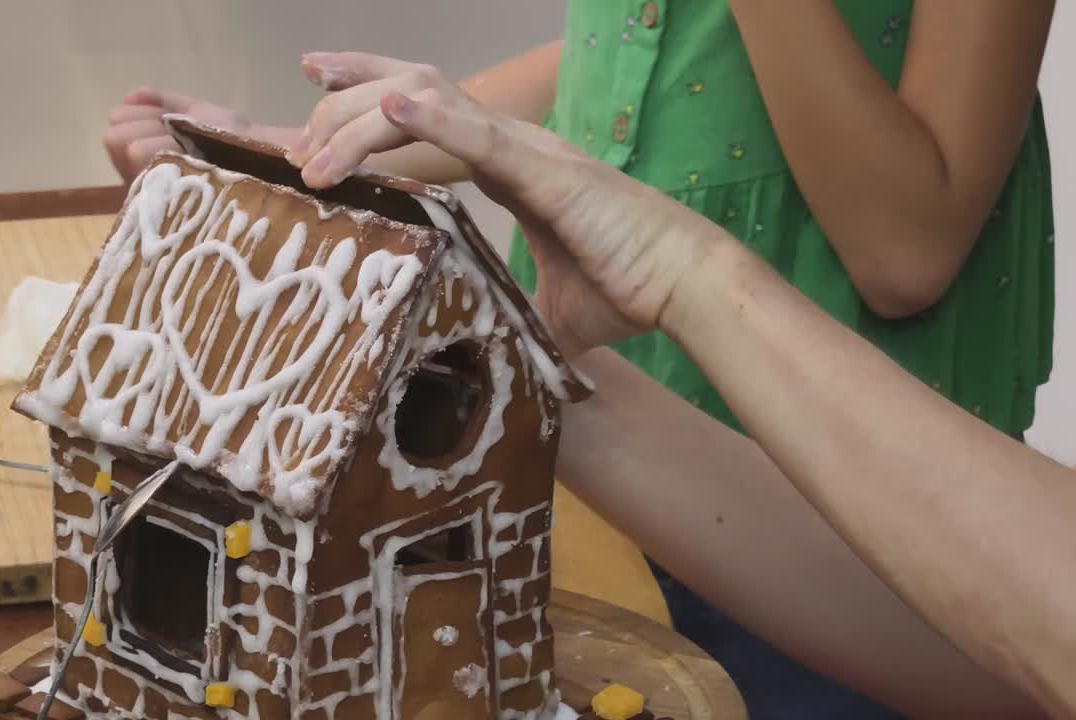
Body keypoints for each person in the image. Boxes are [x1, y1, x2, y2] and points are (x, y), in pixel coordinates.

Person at [102, 3, 1056, 713]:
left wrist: (670, 274)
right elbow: (641, 41)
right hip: (623, 430)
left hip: (851, 502)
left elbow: (905, 254)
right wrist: (344, 142)